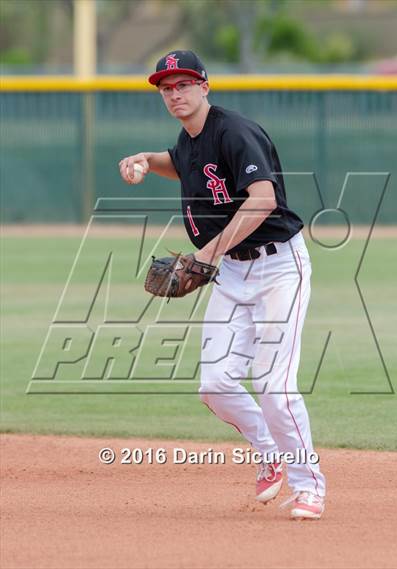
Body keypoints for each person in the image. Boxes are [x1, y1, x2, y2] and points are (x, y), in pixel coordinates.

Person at [119, 50, 326, 520]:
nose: (175, 94)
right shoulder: (188, 137)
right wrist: (147, 161)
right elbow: (180, 161)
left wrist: (206, 253)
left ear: (204, 86)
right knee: (214, 385)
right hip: (231, 272)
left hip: (278, 270)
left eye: (184, 84)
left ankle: (308, 483)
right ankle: (269, 449)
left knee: (275, 385)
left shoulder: (234, 131)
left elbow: (264, 198)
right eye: (167, 88)